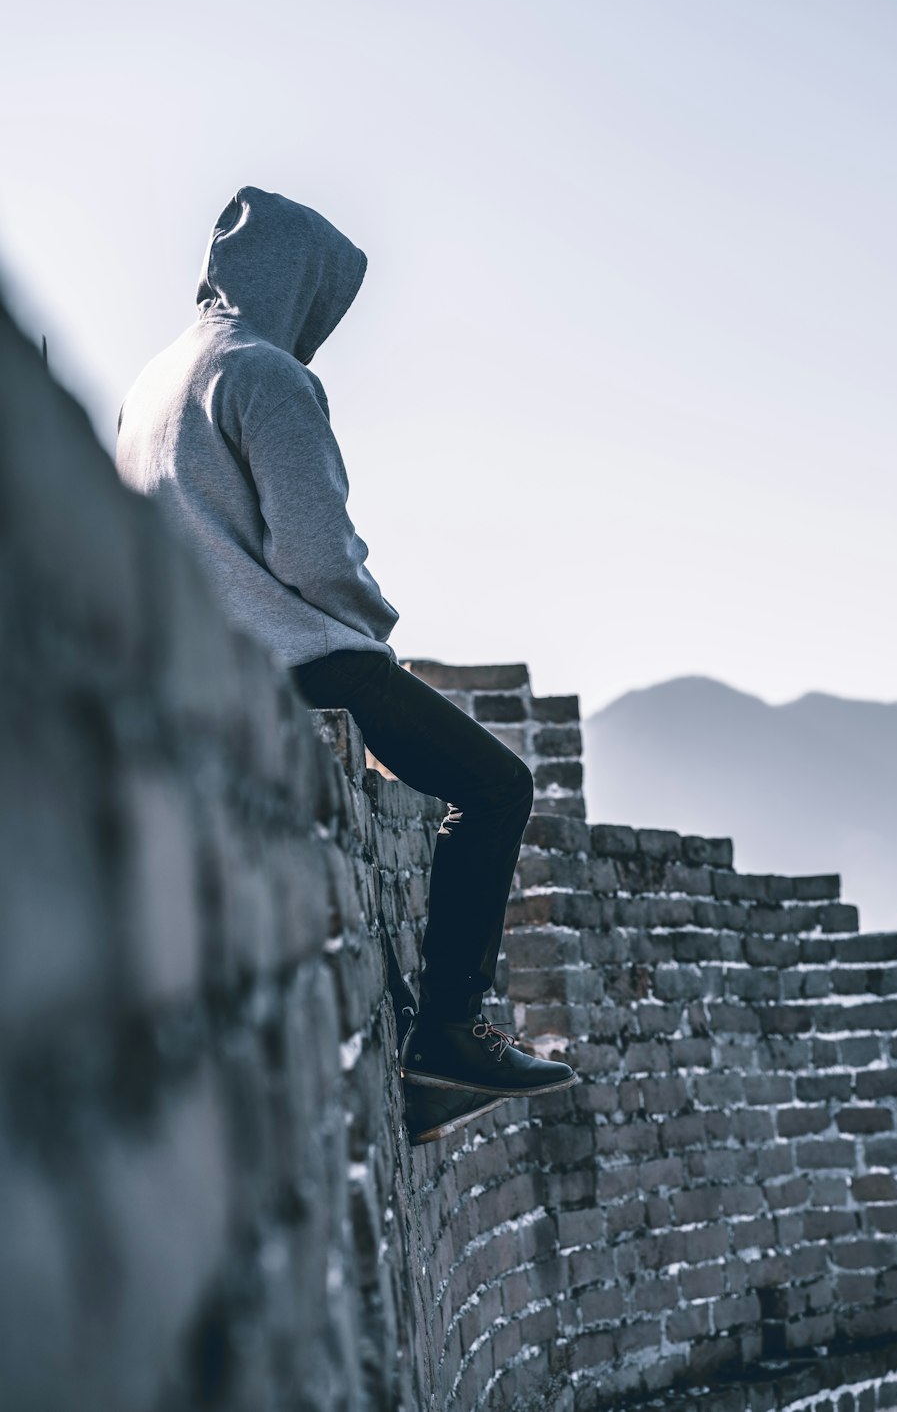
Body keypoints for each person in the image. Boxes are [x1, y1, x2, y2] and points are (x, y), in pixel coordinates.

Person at [115, 185, 576, 1111]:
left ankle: (420, 1051)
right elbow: (317, 555)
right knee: (496, 786)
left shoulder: (152, 382)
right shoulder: (264, 374)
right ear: (301, 285)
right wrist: (375, 638)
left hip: (195, 666)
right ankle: (452, 1029)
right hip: (300, 658)